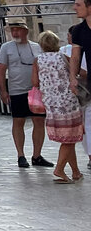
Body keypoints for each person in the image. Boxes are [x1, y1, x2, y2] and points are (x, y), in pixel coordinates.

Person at [0, 19, 52, 169]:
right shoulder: (6, 47)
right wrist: (3, 90)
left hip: (36, 90)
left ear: (25, 31)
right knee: (18, 121)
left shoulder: (36, 47)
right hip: (16, 90)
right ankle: (21, 155)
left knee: (39, 121)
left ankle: (37, 155)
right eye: (12, 30)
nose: (15, 33)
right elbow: (1, 70)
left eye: (18, 29)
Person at [32, 30, 85, 183]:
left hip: (51, 105)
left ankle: (75, 171)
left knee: (68, 138)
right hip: (68, 103)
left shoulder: (37, 60)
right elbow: (79, 72)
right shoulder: (63, 57)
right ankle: (60, 169)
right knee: (70, 139)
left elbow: (34, 82)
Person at [68, 0, 91, 168]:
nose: (75, 8)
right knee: (89, 120)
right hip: (89, 82)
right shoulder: (78, 30)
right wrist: (72, 78)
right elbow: (75, 58)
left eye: (78, 5)